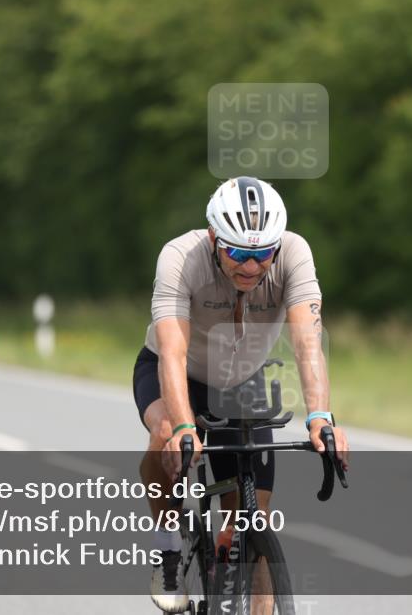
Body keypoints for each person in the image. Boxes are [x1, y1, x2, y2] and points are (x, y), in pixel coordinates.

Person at [134, 176, 350, 612]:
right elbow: (172, 354)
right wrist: (181, 426)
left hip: (243, 382)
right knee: (163, 437)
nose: (251, 266)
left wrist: (320, 419)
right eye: (237, 253)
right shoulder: (180, 257)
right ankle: (169, 547)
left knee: (251, 524)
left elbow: (308, 344)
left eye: (261, 254)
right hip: (178, 374)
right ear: (214, 238)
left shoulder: (295, 254)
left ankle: (233, 568)